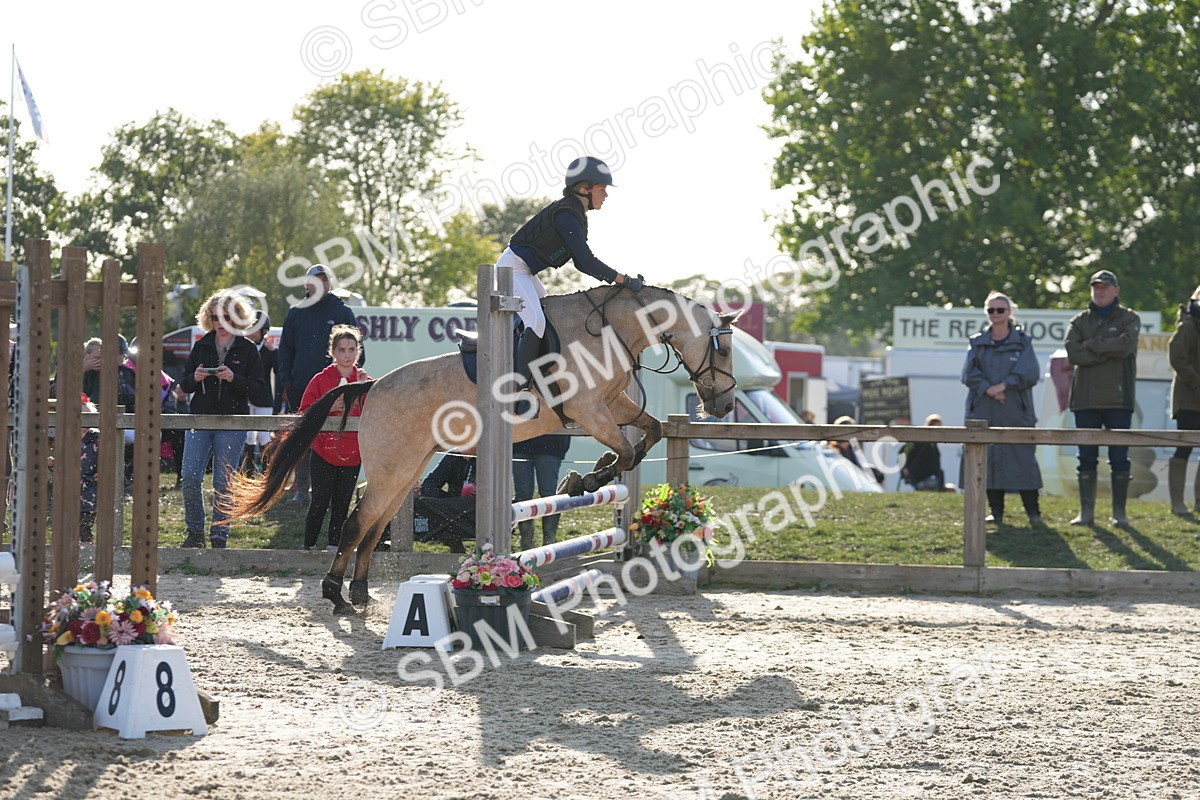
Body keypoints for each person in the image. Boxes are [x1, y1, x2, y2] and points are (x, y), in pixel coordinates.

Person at [498, 156, 645, 415]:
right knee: (537, 322)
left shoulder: (574, 213)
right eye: (602, 189)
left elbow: (580, 264)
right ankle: (519, 391)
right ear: (584, 189)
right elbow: (585, 261)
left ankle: (535, 372)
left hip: (525, 271)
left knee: (547, 315)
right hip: (514, 269)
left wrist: (619, 278)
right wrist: (621, 279)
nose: (606, 196)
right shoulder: (567, 215)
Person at [177, 290, 267, 548]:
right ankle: (195, 533)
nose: (220, 321)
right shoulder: (202, 345)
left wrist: (233, 379)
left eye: (226, 316)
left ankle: (219, 535)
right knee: (190, 476)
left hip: (232, 422)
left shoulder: (248, 350)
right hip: (199, 419)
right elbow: (183, 384)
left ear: (237, 317)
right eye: (214, 316)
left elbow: (260, 390)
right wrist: (194, 378)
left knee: (222, 482)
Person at [277, 264, 361, 504]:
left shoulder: (342, 311)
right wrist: (286, 383)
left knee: (336, 436)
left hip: (335, 389)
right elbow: (285, 351)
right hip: (301, 388)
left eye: (324, 280)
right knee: (303, 438)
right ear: (307, 284)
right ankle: (302, 489)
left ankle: (328, 492)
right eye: (315, 280)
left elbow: (357, 350)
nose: (320, 284)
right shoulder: (295, 313)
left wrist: (349, 381)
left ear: (330, 283)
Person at [1064, 270, 1140, 527]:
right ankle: (1086, 513)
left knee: (1119, 457)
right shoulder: (1078, 321)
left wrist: (1092, 344)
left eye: (1105, 287)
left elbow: (1125, 347)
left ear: (1116, 290)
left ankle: (1119, 513)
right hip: (1085, 400)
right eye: (1096, 287)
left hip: (1119, 400)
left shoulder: (1130, 318)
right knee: (1086, 458)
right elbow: (1073, 353)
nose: (1100, 291)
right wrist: (1106, 348)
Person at [962, 292, 1043, 525]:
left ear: (1010, 312)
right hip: (984, 410)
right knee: (987, 461)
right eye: (991, 310)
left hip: (1016, 411)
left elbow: (1030, 373)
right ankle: (995, 512)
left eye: (1000, 310)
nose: (996, 314)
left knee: (1024, 460)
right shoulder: (976, 343)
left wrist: (1004, 386)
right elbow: (969, 374)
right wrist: (989, 389)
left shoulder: (1023, 342)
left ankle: (1033, 513)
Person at [300, 324, 371, 552]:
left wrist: (364, 388)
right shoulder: (320, 379)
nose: (347, 355)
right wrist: (328, 407)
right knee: (319, 503)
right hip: (323, 450)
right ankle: (308, 548)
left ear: (358, 352)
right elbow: (304, 412)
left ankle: (333, 550)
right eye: (342, 349)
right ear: (332, 351)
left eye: (352, 349)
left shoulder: (365, 380)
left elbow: (376, 413)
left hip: (352, 453)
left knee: (342, 504)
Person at [1167, 285, 1200, 515]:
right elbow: (1177, 357)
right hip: (1189, 400)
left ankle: (1199, 503)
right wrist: (1197, 383)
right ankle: (1177, 504)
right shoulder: (1188, 326)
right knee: (1184, 448)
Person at [513, 433, 571, 550]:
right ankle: (527, 542)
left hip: (550, 443)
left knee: (548, 494)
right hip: (521, 441)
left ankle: (549, 541)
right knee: (523, 495)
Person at [242, 311, 277, 475]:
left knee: (264, 437)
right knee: (248, 436)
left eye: (254, 329)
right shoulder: (243, 348)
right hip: (246, 396)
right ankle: (247, 473)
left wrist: (275, 353)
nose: (250, 333)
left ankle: (267, 473)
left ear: (264, 331)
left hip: (263, 398)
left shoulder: (269, 350)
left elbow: (279, 371)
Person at [901, 414, 952, 492]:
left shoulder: (934, 446)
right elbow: (904, 451)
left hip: (932, 477)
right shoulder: (919, 442)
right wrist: (905, 467)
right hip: (919, 477)